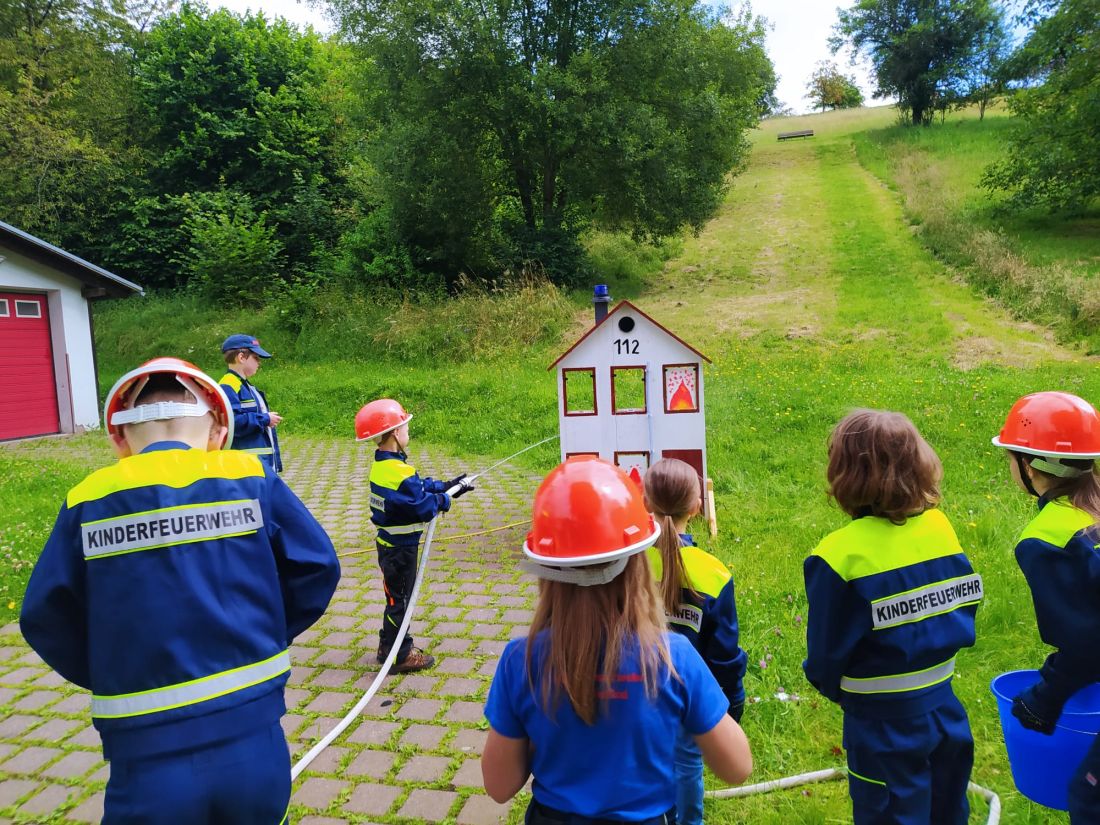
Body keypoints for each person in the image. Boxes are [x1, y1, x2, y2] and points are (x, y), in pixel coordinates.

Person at [20, 357, 340, 824]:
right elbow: (317, 566)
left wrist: (111, 667)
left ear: (119, 440)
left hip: (144, 751)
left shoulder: (86, 499)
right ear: (217, 432)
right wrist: (267, 632)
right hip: (254, 731)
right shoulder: (248, 477)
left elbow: (44, 616)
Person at [482, 456, 752, 823]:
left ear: (545, 569)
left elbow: (499, 786)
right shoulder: (673, 657)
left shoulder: (521, 661)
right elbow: (737, 766)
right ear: (638, 562)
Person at [802, 409, 982, 825]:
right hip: (946, 711)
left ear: (843, 473)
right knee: (949, 808)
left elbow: (826, 658)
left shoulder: (837, 556)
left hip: (881, 725)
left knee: (888, 815)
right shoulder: (940, 528)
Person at [991, 391, 1100, 820]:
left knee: (1090, 799)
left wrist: (1045, 696)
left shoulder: (1047, 540)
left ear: (1029, 465)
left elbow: (1087, 642)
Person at [643, 457, 747, 825]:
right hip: (690, 694)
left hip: (636, 689)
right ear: (697, 507)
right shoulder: (714, 573)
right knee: (688, 760)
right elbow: (725, 654)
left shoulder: (631, 566)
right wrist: (732, 704)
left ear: (645, 505)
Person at [356, 398, 473, 673]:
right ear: (396, 433)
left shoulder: (387, 467)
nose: (409, 432)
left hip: (390, 546)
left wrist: (448, 485)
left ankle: (387, 645)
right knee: (401, 602)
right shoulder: (398, 472)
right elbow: (420, 506)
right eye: (406, 427)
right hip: (401, 550)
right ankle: (400, 655)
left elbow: (417, 488)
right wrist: (443, 500)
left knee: (395, 598)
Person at [220, 333, 282, 473]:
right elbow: (232, 422)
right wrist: (265, 419)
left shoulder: (244, 385)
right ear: (241, 357)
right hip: (247, 466)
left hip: (258, 464)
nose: (259, 362)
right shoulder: (228, 386)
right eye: (256, 357)